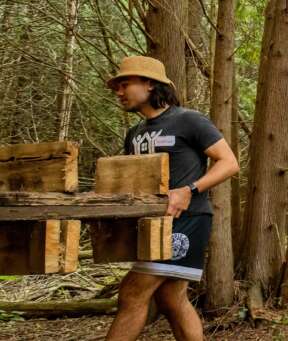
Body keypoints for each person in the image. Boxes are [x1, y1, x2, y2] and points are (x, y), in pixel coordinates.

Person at [105, 56, 239, 341]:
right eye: (117, 86)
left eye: (124, 84)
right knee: (170, 297)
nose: (118, 92)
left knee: (132, 292)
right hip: (152, 225)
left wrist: (188, 190)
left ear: (150, 84)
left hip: (186, 220)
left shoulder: (189, 120)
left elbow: (229, 162)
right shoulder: (135, 133)